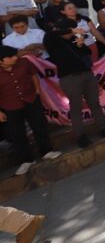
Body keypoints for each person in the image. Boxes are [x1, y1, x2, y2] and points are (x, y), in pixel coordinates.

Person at [43, 19, 105, 148]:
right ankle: (80, 136)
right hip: (69, 78)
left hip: (87, 74)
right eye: (70, 31)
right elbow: (50, 35)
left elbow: (87, 53)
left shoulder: (74, 39)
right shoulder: (53, 41)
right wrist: (72, 30)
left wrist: (80, 45)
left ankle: (104, 127)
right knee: (76, 107)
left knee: (94, 103)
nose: (72, 34)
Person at [0, 45, 61, 176]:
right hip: (10, 105)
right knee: (17, 133)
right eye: (10, 57)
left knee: (39, 125)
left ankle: (46, 151)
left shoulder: (24, 62)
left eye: (15, 55)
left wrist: (37, 90)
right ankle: (26, 160)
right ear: (1, 60)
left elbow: (33, 74)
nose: (14, 58)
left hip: (31, 98)